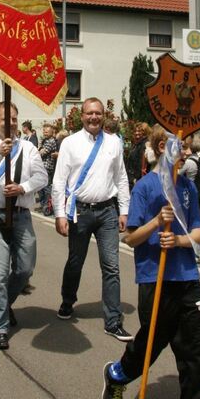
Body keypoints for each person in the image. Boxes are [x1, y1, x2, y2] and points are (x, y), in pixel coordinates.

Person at [101, 124, 200, 399]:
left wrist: (180, 239)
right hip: (155, 277)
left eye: (186, 145)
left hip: (187, 277)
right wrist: (156, 224)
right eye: (176, 145)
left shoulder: (189, 188)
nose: (184, 150)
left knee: (196, 349)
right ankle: (117, 374)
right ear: (159, 146)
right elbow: (131, 237)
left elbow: (198, 230)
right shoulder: (145, 186)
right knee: (150, 346)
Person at [52, 97, 132, 340]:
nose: (94, 117)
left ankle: (113, 320)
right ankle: (68, 301)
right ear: (82, 116)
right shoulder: (70, 143)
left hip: (108, 211)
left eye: (98, 113)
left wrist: (124, 209)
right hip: (80, 212)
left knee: (111, 267)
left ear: (103, 116)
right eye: (89, 113)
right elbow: (59, 181)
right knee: (75, 262)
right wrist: (59, 214)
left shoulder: (114, 142)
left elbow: (121, 177)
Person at [0, 101, 48, 350]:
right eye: (7, 119)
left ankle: (3, 303)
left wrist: (22, 187)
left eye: (15, 118)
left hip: (21, 214)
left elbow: (41, 177)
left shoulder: (28, 147)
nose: (12, 123)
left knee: (25, 268)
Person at [38, 123, 57, 216]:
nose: (45, 133)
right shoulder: (45, 140)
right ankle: (43, 206)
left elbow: (41, 153)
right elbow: (39, 150)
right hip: (42, 167)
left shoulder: (51, 141)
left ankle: (47, 207)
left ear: (51, 132)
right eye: (44, 131)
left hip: (47, 167)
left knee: (46, 188)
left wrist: (39, 150)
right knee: (41, 188)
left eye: (47, 132)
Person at [125, 123, 150, 189]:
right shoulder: (137, 144)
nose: (137, 133)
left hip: (136, 181)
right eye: (135, 131)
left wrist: (135, 180)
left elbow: (141, 164)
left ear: (144, 132)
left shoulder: (144, 145)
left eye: (139, 131)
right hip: (132, 179)